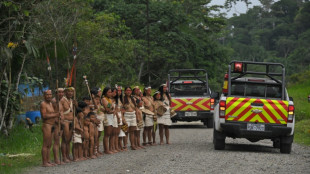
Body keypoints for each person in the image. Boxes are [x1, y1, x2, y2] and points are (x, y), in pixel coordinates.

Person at [40, 90, 59, 167]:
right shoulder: (43, 104)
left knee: (49, 144)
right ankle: (44, 162)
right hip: (47, 125)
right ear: (44, 96)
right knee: (46, 144)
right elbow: (44, 116)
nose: (49, 96)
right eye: (47, 95)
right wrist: (56, 115)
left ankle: (48, 161)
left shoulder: (51, 103)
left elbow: (53, 113)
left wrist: (56, 115)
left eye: (50, 94)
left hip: (52, 125)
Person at [59, 87, 76, 162]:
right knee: (65, 139)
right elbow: (61, 111)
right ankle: (64, 156)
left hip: (71, 121)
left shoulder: (72, 100)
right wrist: (62, 121)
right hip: (65, 121)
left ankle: (68, 155)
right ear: (65, 92)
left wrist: (76, 104)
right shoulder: (62, 100)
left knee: (69, 140)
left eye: (72, 92)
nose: (70, 93)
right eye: (69, 91)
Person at [51, 88, 64, 165]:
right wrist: (57, 121)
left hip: (61, 124)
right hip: (56, 124)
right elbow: (53, 114)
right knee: (56, 142)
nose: (61, 94)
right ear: (56, 93)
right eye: (59, 92)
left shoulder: (60, 101)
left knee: (59, 141)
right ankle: (56, 159)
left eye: (62, 92)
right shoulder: (53, 102)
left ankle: (58, 158)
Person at [101, 87, 115, 154]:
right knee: (107, 133)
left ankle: (110, 148)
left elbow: (111, 108)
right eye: (109, 92)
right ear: (105, 92)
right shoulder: (104, 99)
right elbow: (108, 109)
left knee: (111, 133)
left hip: (111, 116)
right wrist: (112, 109)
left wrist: (111, 108)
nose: (110, 93)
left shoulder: (110, 99)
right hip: (107, 116)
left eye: (111, 92)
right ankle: (106, 149)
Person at [92, 88, 104, 155]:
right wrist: (94, 99)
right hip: (96, 120)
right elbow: (96, 108)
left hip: (101, 119)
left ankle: (97, 149)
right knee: (95, 136)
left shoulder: (100, 103)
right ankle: (94, 150)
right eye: (96, 99)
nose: (98, 100)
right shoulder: (92, 102)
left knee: (98, 135)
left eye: (98, 99)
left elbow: (104, 109)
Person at [116, 86, 126, 151]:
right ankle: (116, 146)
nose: (119, 92)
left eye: (120, 91)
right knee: (116, 132)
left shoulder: (121, 99)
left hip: (121, 115)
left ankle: (121, 146)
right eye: (118, 90)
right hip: (117, 115)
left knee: (122, 131)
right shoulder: (114, 99)